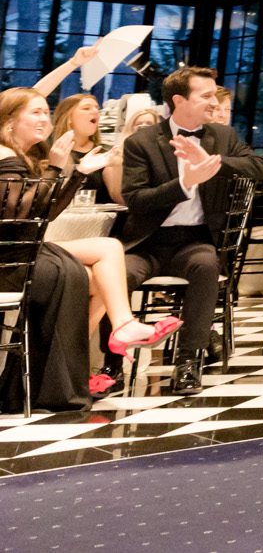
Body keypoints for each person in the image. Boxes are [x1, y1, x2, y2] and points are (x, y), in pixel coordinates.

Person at [0, 89, 181, 405]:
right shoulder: (6, 157)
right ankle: (118, 328)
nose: (44, 119)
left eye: (46, 111)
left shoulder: (21, 156)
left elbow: (45, 212)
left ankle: (68, 370)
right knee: (107, 250)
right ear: (10, 121)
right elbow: (22, 218)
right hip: (9, 261)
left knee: (97, 272)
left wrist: (76, 172)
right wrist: (58, 169)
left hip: (21, 252)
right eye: (35, 113)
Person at [118, 66, 263, 394]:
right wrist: (185, 183)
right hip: (148, 242)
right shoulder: (142, 142)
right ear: (179, 100)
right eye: (206, 95)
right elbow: (136, 200)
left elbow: (258, 167)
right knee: (119, 275)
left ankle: (189, 361)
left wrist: (214, 161)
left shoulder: (221, 137)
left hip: (195, 240)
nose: (214, 102)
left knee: (206, 265)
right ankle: (114, 364)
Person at [102, 106, 159, 205]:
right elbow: (118, 197)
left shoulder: (163, 156)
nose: (143, 126)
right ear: (130, 128)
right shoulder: (116, 157)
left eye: (149, 123)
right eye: (138, 123)